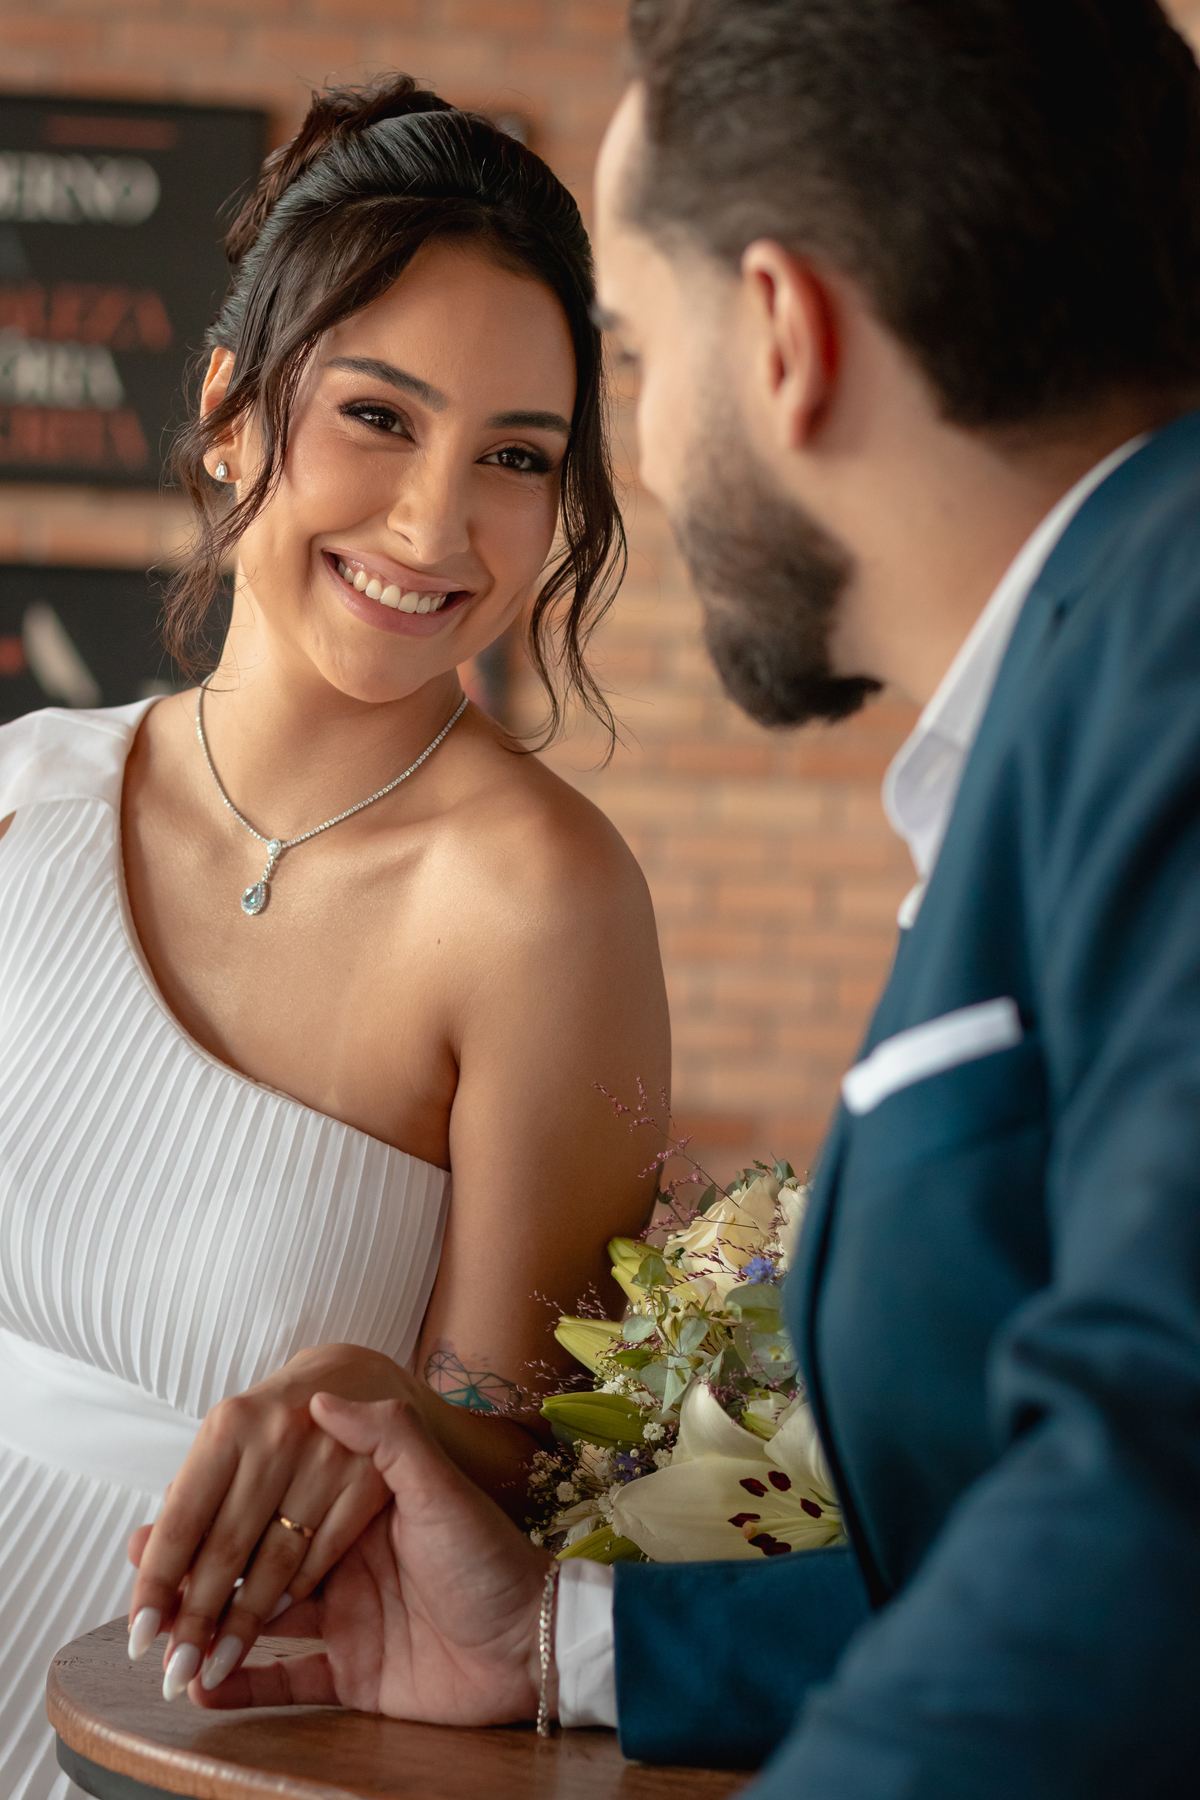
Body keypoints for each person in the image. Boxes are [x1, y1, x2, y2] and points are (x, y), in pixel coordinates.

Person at [183, 1, 1200, 1794]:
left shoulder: (1173, 658)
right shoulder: (1085, 684)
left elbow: (1153, 1486)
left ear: (785, 337)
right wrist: (564, 1641)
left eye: (631, 362)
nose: (623, 461)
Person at [0, 76, 669, 1800]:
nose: (437, 525)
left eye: (516, 457)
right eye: (379, 416)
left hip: (203, 1727)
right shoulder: (19, 802)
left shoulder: (545, 905)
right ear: (230, 413)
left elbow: (531, 1477)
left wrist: (385, 1401)